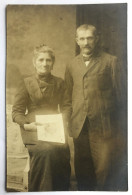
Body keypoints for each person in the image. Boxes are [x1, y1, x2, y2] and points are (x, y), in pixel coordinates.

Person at [63, 24, 126, 191]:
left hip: (103, 127)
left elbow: (122, 98)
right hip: (79, 126)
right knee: (83, 171)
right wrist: (67, 122)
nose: (86, 42)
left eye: (89, 38)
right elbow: (68, 98)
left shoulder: (111, 61)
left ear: (96, 39)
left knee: (103, 172)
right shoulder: (71, 64)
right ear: (77, 41)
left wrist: (120, 128)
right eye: (82, 39)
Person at [12, 44, 71, 191]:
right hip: (33, 127)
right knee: (45, 151)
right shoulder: (26, 83)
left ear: (53, 63)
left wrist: (61, 121)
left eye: (48, 60)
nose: (45, 63)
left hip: (54, 127)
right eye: (41, 60)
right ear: (34, 62)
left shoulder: (60, 83)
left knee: (62, 150)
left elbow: (67, 106)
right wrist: (26, 125)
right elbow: (17, 112)